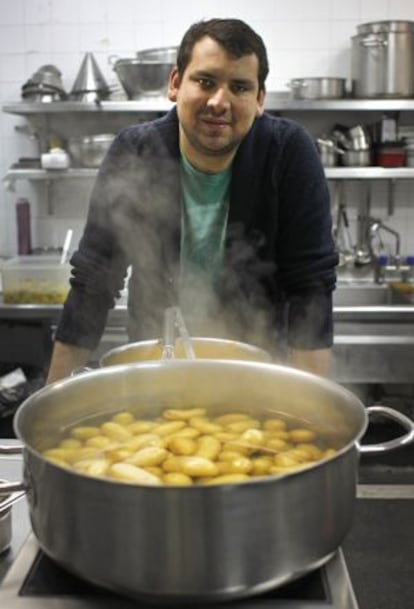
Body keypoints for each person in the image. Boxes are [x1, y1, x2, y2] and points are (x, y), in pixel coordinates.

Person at [46, 18, 338, 384]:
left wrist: (306, 412)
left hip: (260, 375)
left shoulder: (287, 153)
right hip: (157, 368)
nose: (220, 101)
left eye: (240, 87)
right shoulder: (137, 151)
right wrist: (52, 402)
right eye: (205, 81)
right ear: (174, 84)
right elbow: (94, 281)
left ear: (259, 99)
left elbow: (310, 286)